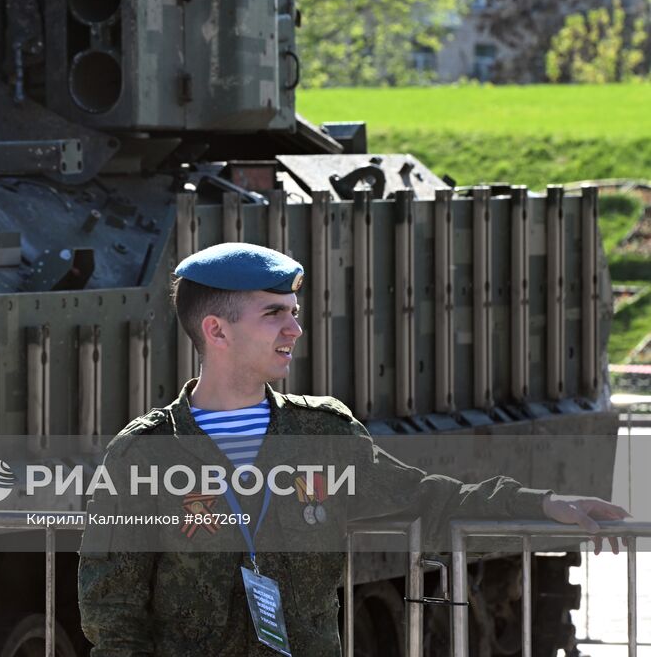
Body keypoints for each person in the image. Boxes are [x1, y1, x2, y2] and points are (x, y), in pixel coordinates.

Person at [77, 242, 628, 657]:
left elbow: (426, 501)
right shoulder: (143, 454)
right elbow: (112, 606)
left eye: (293, 311)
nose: (295, 328)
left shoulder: (324, 435)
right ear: (216, 331)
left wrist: (541, 506)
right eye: (275, 314)